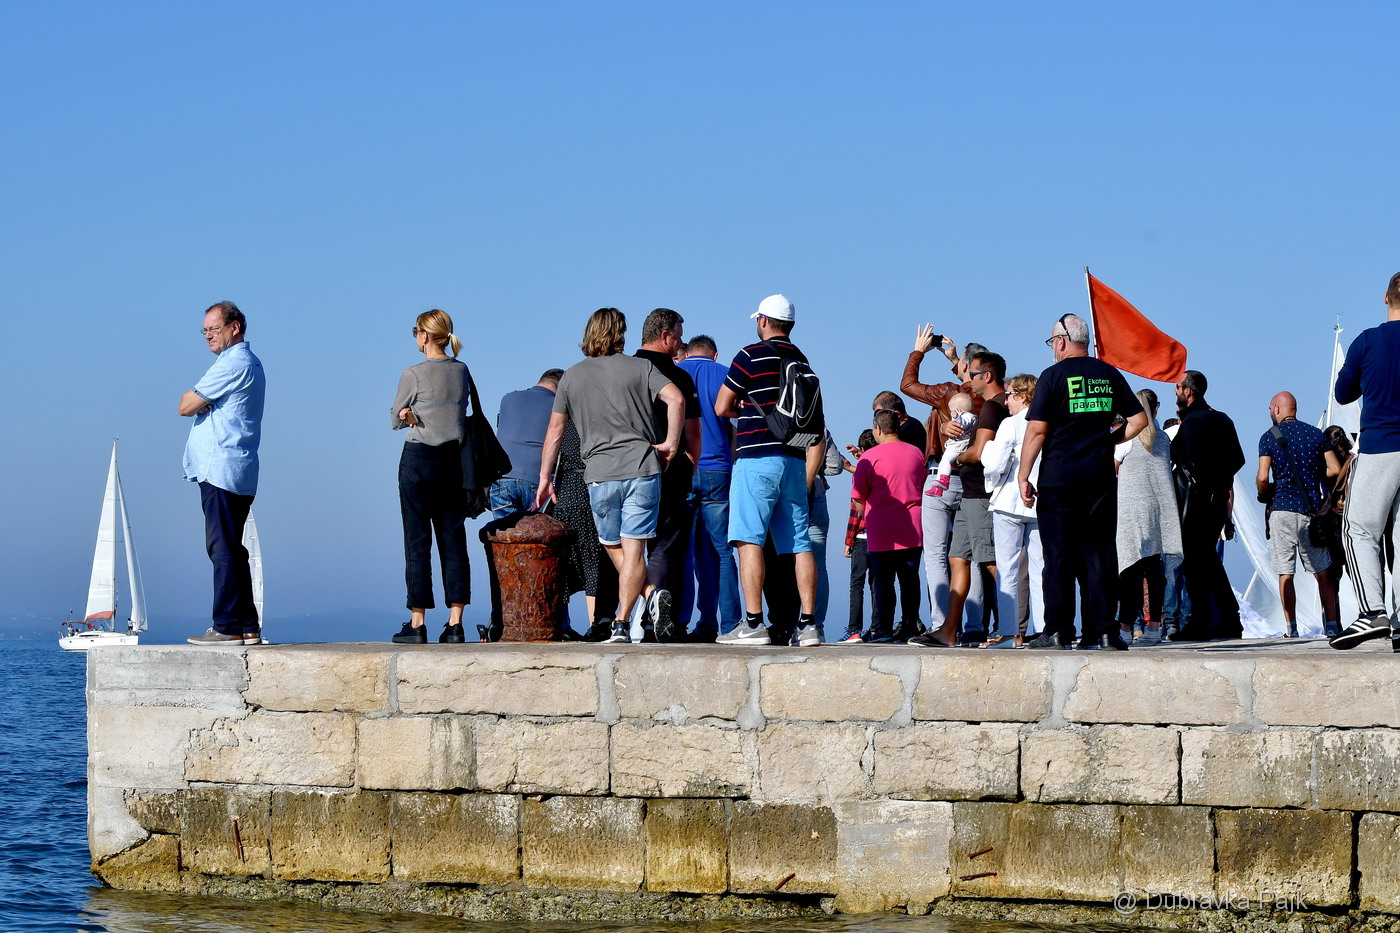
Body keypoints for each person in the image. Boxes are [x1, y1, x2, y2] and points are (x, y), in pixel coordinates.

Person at [535, 308, 684, 644]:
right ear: (621, 333)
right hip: (643, 468)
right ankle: (644, 600)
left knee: (611, 545)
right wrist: (671, 443)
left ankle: (622, 619)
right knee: (634, 550)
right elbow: (675, 399)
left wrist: (545, 477)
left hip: (599, 473)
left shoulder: (572, 376)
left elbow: (555, 431)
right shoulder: (641, 367)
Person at [1018, 313, 1147, 650]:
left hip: (1060, 479)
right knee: (1099, 556)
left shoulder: (1052, 376)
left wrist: (1023, 474)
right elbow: (1139, 420)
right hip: (1099, 479)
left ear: (1061, 341)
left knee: (1059, 556)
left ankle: (1058, 631)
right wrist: (1109, 441)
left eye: (1051, 342)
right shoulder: (1108, 374)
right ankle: (1103, 632)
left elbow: (1037, 429)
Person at [714, 294, 826, 647]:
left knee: (749, 540)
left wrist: (744, 409)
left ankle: (752, 623)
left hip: (756, 459)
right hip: (794, 458)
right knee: (799, 542)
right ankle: (808, 625)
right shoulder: (800, 358)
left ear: (763, 321)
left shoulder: (749, 355)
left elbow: (721, 406)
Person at [180, 301, 267, 646]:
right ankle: (247, 624)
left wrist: (201, 400)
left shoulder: (233, 363)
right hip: (237, 468)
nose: (208, 336)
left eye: (214, 329)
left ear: (235, 327)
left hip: (220, 467)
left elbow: (185, 405)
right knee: (231, 547)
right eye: (204, 330)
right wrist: (205, 401)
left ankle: (228, 625)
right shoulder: (248, 363)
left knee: (222, 548)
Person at [384, 310, 473, 645]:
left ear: (424, 335)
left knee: (417, 541)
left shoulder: (414, 373)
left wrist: (406, 415)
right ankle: (455, 623)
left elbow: (396, 417)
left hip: (419, 459)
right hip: (453, 462)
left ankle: (417, 621)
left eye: (415, 331)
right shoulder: (462, 371)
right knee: (453, 540)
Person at [903, 325, 988, 648]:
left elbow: (907, 385)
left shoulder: (948, 393)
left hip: (940, 477)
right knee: (972, 556)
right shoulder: (990, 398)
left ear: (967, 365)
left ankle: (941, 624)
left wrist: (919, 351)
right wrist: (955, 359)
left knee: (937, 556)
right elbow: (971, 389)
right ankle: (974, 625)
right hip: (973, 479)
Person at [1331, 272, 1400, 650]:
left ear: (1384, 298)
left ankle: (1373, 611)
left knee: (1358, 530)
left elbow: (1343, 394)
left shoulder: (1369, 341)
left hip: (1382, 445)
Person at [634, 308, 703, 641]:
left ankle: (615, 618)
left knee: (627, 546)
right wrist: (691, 463)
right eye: (677, 335)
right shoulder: (680, 378)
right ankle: (659, 623)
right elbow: (694, 435)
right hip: (669, 468)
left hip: (627, 466)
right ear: (665, 336)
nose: (680, 342)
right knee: (665, 547)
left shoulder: (626, 371)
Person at [1256, 391, 1341, 638]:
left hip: (1282, 510)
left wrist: (1266, 492)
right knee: (1322, 571)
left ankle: (1291, 629)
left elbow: (1263, 477)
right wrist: (1313, 478)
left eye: (1271, 408)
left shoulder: (1268, 438)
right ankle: (1332, 626)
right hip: (1311, 512)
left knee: (1286, 572)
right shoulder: (1315, 435)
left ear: (1277, 409)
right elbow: (1335, 469)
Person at [1169, 370, 1246, 641]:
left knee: (1194, 562)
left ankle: (1202, 621)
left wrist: (1202, 478)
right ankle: (1229, 619)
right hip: (1217, 499)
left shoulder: (1191, 423)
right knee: (1209, 560)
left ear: (1189, 392)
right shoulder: (1223, 419)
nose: (1175, 391)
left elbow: (1175, 455)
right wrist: (1220, 480)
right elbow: (1238, 459)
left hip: (1197, 501)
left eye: (1178, 387)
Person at [677, 334, 740, 639]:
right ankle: (726, 624)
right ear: (714, 355)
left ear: (686, 352)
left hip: (684, 469)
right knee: (721, 551)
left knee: (682, 552)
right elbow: (739, 424)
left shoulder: (674, 374)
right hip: (719, 469)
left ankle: (680, 621)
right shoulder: (726, 373)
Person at [850, 410, 928, 642]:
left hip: (881, 526)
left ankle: (883, 629)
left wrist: (870, 515)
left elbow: (858, 496)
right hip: (913, 525)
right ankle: (910, 625)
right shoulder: (916, 453)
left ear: (878, 429)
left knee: (883, 582)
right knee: (910, 580)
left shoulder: (869, 457)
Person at [1115, 388, 1183, 646]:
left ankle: (1124, 628)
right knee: (1154, 568)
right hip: (1158, 510)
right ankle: (1154, 627)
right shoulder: (1164, 439)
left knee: (1129, 569)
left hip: (1130, 511)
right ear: (1156, 410)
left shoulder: (1124, 437)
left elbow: (1113, 473)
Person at [979, 373, 1042, 647]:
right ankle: (1042, 629)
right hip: (1040, 502)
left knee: (1007, 567)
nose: (1006, 400)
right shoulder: (1047, 423)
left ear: (1021, 395)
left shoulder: (1011, 424)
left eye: (1010, 395)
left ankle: (1008, 632)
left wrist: (987, 450)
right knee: (1041, 568)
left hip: (1009, 501)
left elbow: (995, 466)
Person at [553, 420, 620, 641]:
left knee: (562, 565)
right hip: (590, 490)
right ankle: (595, 625)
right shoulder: (596, 420)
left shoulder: (563, 422)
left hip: (564, 495)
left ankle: (561, 625)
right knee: (594, 561)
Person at [489, 369, 563, 519]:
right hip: (538, 481)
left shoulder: (508, 398)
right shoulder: (559, 407)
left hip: (503, 480)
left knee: (505, 538)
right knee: (541, 538)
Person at [841, 430, 881, 641]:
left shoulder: (861, 476)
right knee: (878, 585)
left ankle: (853, 629)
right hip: (881, 536)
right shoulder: (883, 469)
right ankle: (877, 628)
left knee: (857, 585)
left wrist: (848, 540)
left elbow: (856, 510)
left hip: (861, 537)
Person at [927, 394, 976, 497]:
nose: (950, 413)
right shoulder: (969, 416)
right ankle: (938, 488)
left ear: (958, 409)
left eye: (951, 410)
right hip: (956, 444)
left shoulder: (966, 416)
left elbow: (963, 422)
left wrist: (956, 417)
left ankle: (944, 479)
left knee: (945, 461)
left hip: (958, 446)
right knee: (943, 462)